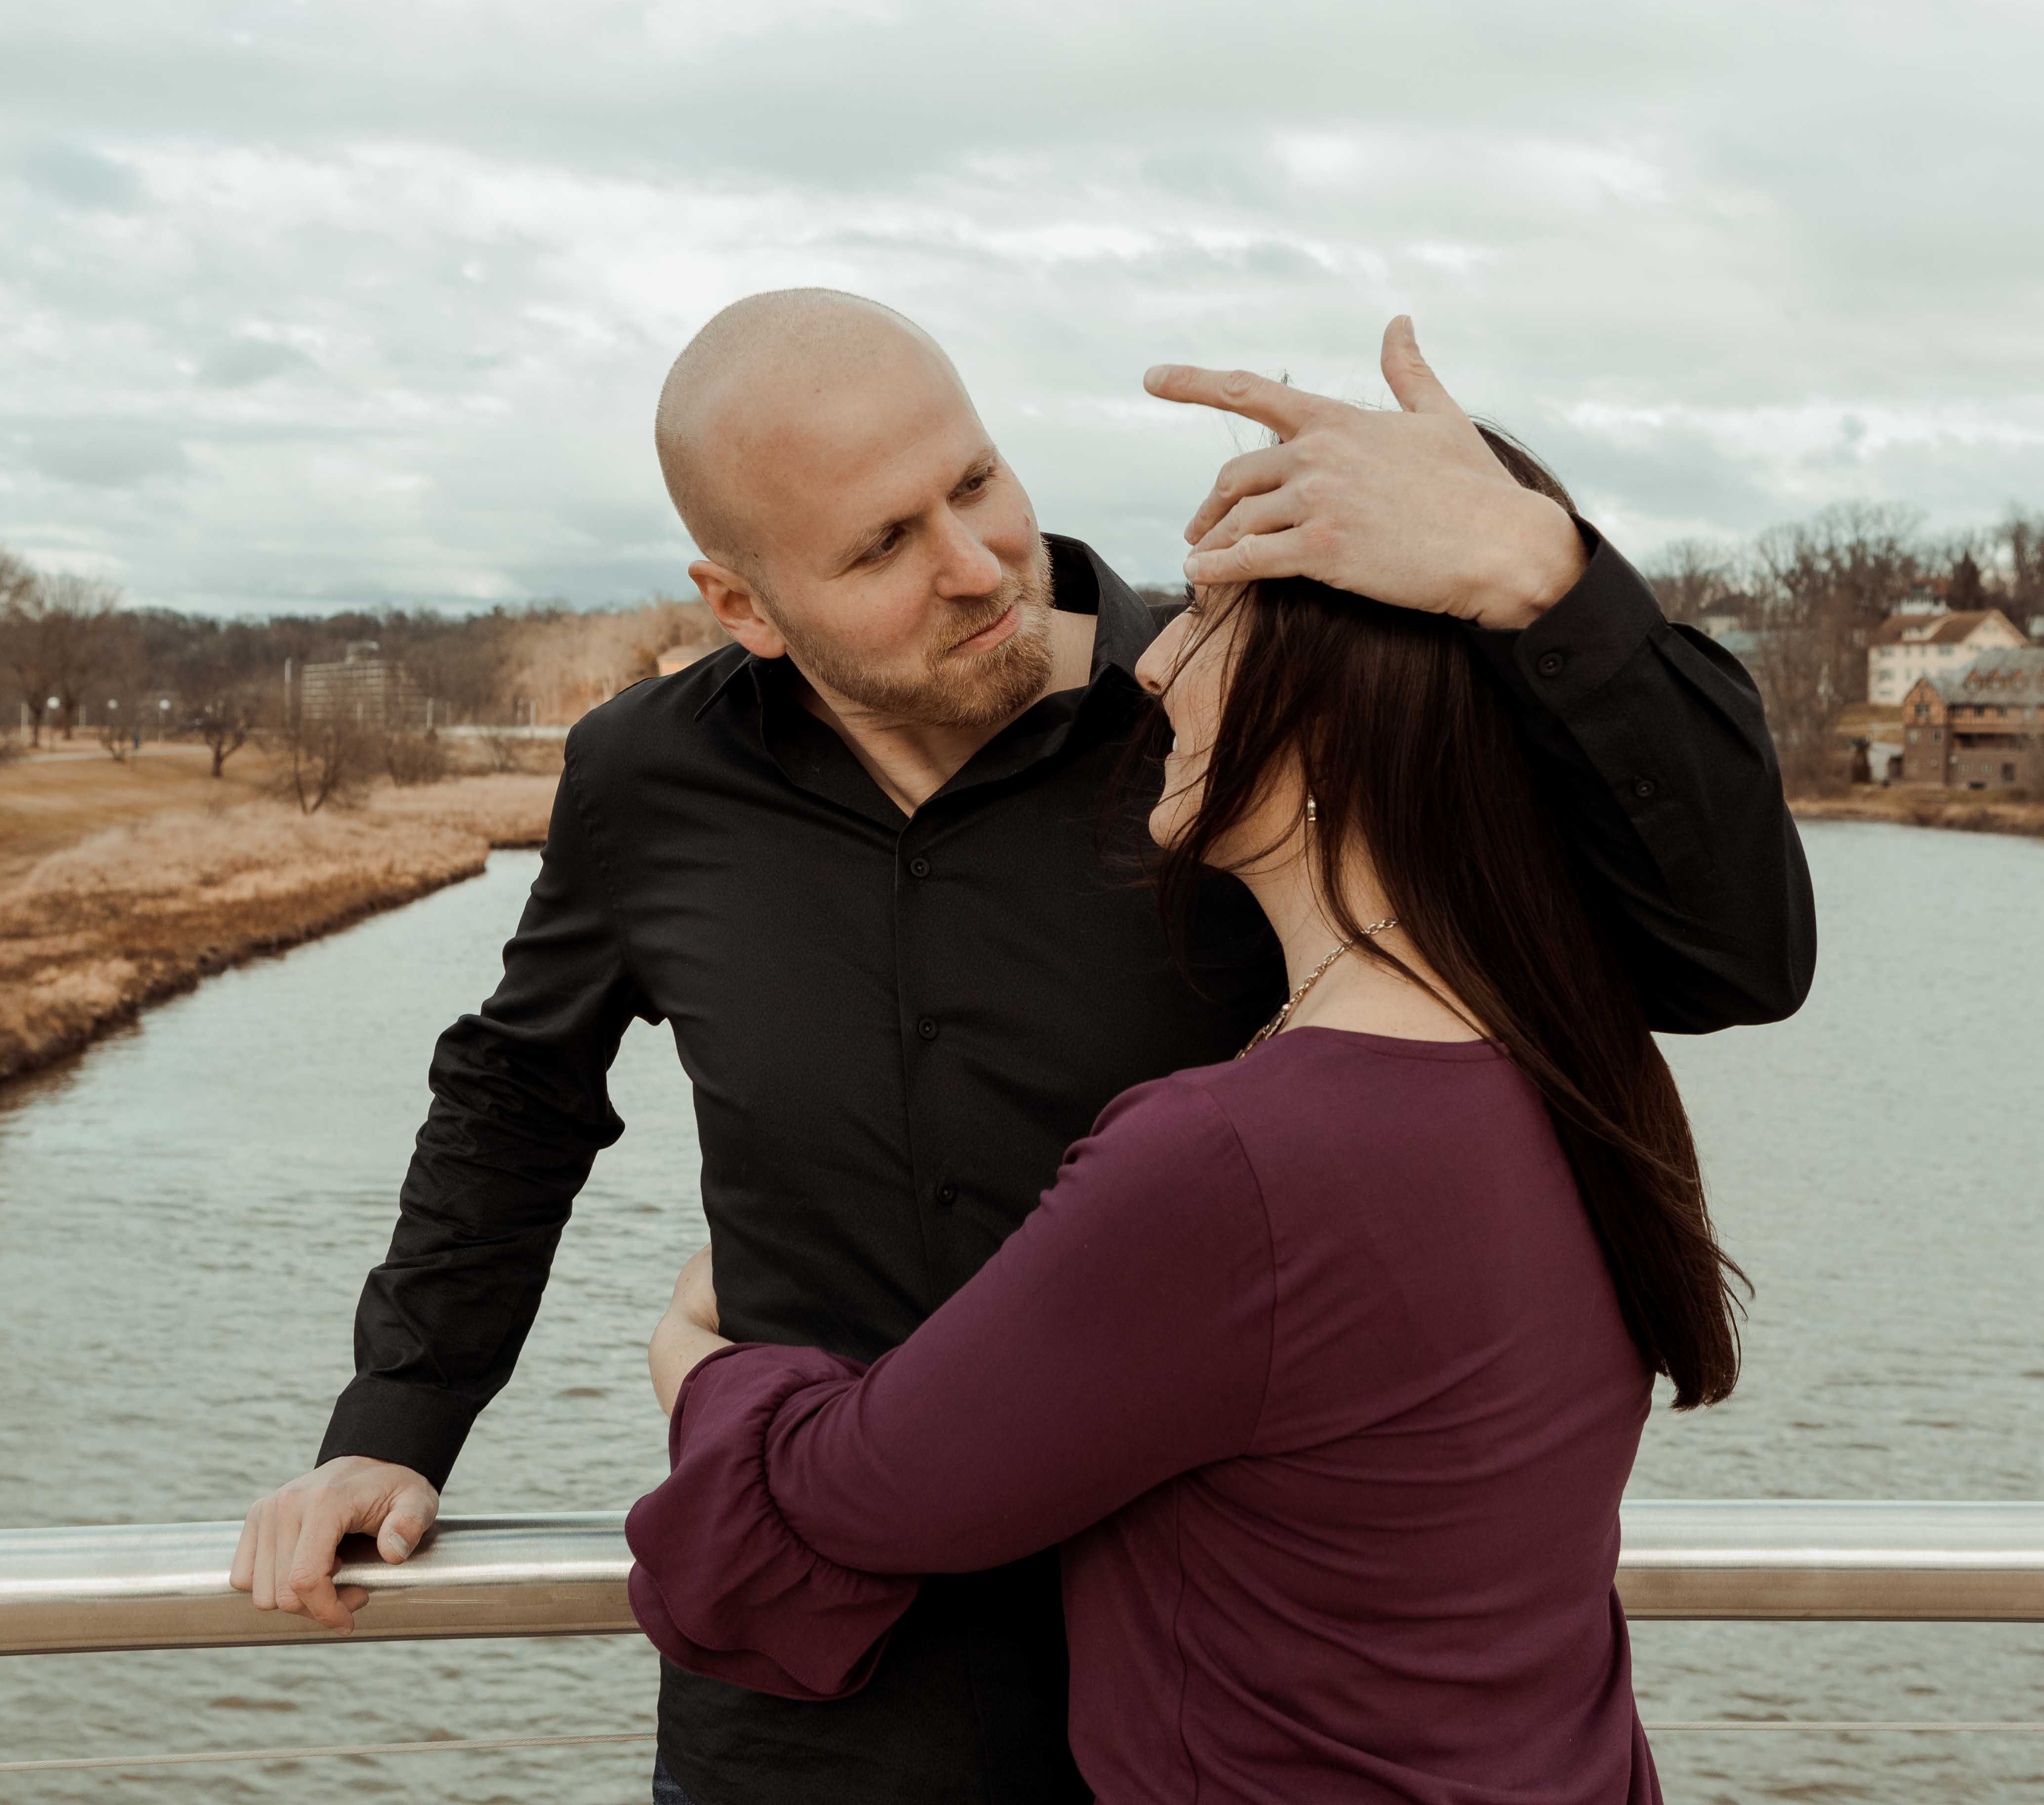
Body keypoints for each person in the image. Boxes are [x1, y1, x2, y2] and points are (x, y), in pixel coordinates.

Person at [230, 289, 1812, 1805]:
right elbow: (518, 1095)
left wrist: (1546, 574)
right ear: (742, 604)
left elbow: (1723, 955)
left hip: (1188, 1686)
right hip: (811, 1699)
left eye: (974, 481)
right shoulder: (645, 780)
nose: (980, 563)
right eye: (880, 547)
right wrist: (396, 1421)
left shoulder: (1222, 728)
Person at [626, 460, 1735, 1800]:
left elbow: (854, 1495)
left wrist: (706, 1365)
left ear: (1323, 714)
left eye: (1210, 622)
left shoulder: (1237, 1157)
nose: (1153, 673)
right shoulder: (1568, 1051)